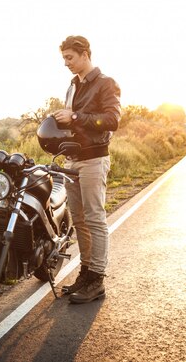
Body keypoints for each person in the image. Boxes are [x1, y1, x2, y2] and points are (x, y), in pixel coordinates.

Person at [53, 35, 121, 304]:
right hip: (72, 159)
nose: (66, 63)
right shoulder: (72, 85)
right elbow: (72, 121)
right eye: (64, 58)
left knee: (94, 218)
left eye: (70, 57)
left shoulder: (106, 83)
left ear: (85, 54)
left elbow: (113, 120)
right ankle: (85, 273)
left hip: (94, 159)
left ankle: (97, 280)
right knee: (79, 220)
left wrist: (76, 117)